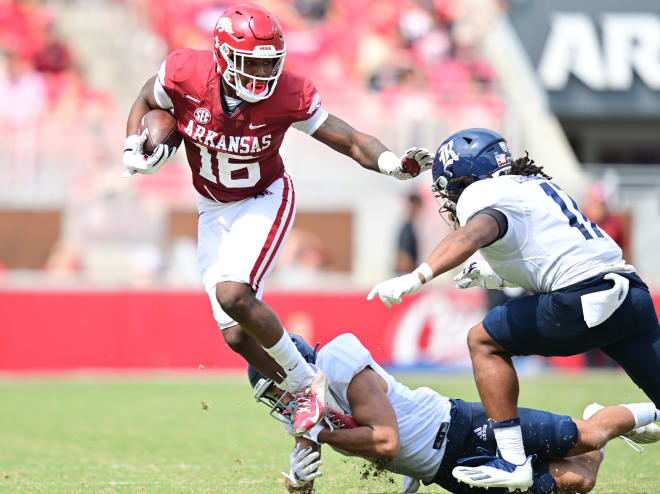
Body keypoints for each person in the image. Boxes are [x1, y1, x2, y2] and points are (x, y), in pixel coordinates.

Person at [121, 4, 433, 436]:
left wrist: (389, 162)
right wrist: (135, 144)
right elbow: (145, 100)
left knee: (233, 294)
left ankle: (306, 387)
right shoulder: (184, 71)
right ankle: (319, 399)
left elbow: (349, 138)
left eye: (271, 62)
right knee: (234, 335)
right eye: (253, 63)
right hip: (212, 206)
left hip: (263, 197)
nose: (263, 74)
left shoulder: (288, 92)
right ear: (223, 56)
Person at [366, 128, 660, 490]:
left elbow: (473, 234)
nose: (451, 199)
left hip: (582, 300)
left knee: (483, 341)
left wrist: (418, 275)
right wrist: (492, 275)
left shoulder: (484, 195)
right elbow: (546, 254)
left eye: (451, 187)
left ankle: (511, 459)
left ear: (469, 178)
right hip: (631, 296)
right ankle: (641, 415)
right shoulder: (533, 186)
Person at [248, 333, 660, 494]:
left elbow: (386, 439)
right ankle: (603, 425)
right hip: (443, 470)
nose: (283, 403)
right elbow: (306, 472)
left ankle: (649, 409)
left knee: (587, 437)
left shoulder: (339, 365)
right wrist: (298, 482)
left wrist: (321, 436)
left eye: (278, 388)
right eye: (273, 396)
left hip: (460, 427)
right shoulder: (304, 410)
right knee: (577, 480)